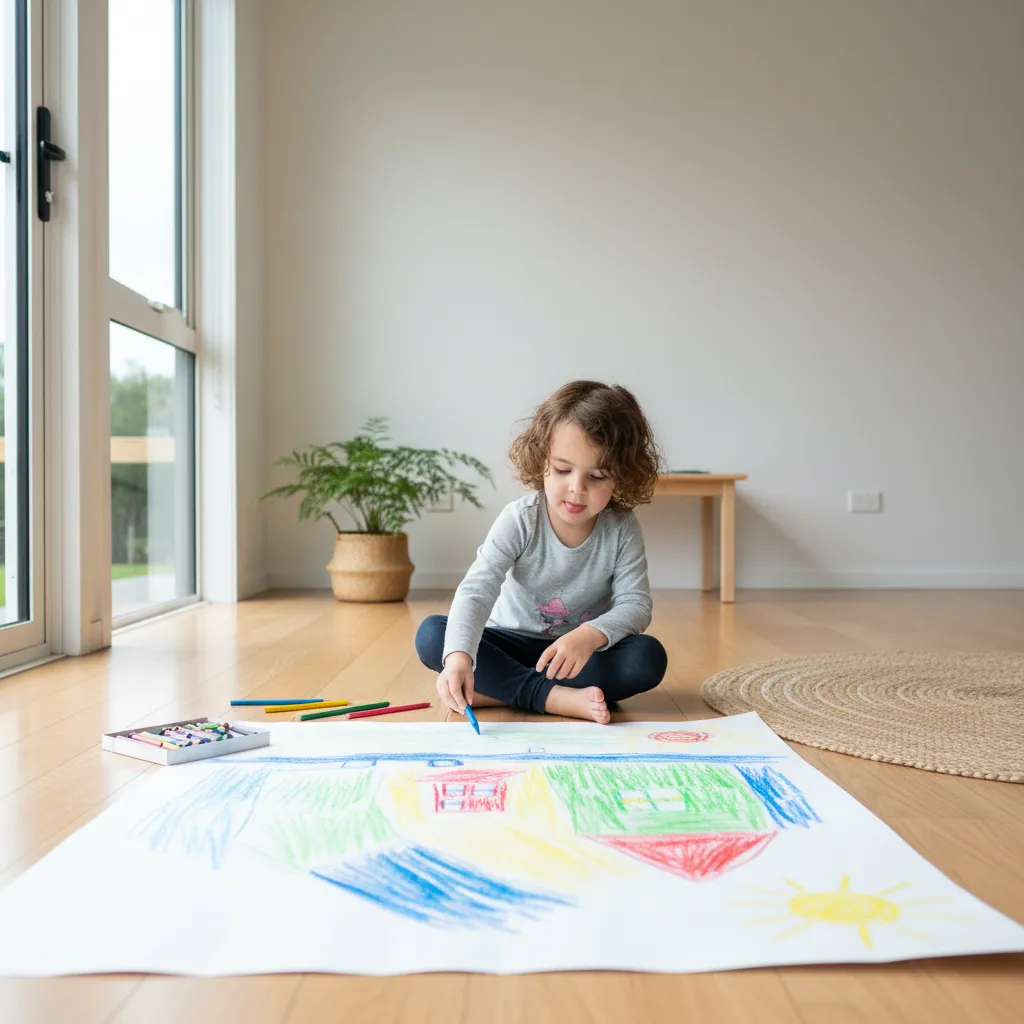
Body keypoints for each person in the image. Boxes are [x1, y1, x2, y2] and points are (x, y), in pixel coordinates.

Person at [415, 380, 668, 724]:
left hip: (576, 654)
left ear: (620, 477)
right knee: (433, 635)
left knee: (647, 658)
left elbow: (635, 605)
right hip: (507, 642)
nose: (576, 488)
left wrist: (589, 636)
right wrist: (459, 658)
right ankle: (553, 698)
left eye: (596, 476)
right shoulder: (520, 519)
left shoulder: (621, 527)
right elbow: (477, 590)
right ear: (542, 462)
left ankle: (503, 689)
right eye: (563, 470)